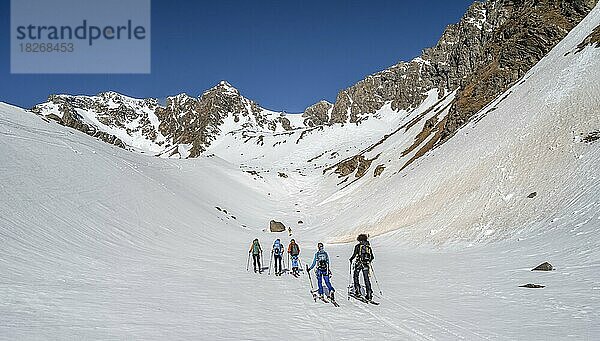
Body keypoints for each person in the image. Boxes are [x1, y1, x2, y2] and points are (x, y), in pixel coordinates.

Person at [349, 234, 374, 301]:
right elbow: (372, 257)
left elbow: (354, 255)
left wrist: (351, 259)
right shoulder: (368, 247)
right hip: (366, 264)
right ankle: (369, 293)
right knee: (366, 279)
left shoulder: (358, 246)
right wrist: (368, 261)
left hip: (359, 264)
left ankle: (357, 291)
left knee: (356, 276)